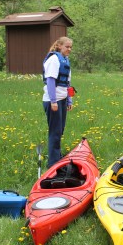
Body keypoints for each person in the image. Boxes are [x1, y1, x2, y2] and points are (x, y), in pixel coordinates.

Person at [42, 36, 74, 168]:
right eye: (67, 47)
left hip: (62, 99)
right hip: (52, 101)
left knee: (60, 131)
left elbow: (68, 83)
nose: (69, 49)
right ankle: (53, 164)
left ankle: (57, 156)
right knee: (55, 131)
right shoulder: (54, 59)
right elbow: (50, 81)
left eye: (71, 47)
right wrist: (53, 101)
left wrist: (69, 99)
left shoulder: (65, 60)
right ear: (59, 46)